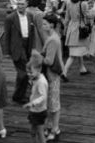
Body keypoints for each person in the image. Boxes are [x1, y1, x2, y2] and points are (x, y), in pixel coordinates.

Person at [4, 0, 34, 104]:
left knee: (21, 72)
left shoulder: (30, 15)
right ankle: (18, 96)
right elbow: (7, 35)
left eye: (22, 4)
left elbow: (32, 33)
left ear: (27, 4)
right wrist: (7, 51)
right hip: (17, 46)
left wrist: (33, 47)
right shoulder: (10, 18)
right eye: (18, 4)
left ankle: (21, 93)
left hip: (27, 45)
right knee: (24, 72)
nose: (20, 6)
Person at [41, 13, 64, 142]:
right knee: (51, 101)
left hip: (52, 74)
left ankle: (55, 128)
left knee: (54, 103)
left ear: (52, 25)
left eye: (45, 24)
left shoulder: (52, 40)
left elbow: (49, 61)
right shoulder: (54, 37)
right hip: (53, 74)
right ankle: (50, 126)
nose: (43, 26)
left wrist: (38, 58)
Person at [63, 0, 90, 78]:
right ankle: (64, 72)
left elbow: (66, 18)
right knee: (73, 54)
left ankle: (82, 68)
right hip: (80, 28)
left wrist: (65, 29)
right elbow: (87, 16)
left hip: (71, 28)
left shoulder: (69, 3)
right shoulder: (83, 3)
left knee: (78, 50)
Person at [24, 53, 48, 143]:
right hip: (34, 111)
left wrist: (33, 103)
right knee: (33, 132)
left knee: (40, 133)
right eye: (28, 72)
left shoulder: (41, 82)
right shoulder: (36, 78)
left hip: (39, 111)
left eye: (31, 72)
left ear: (39, 69)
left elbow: (43, 96)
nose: (29, 74)